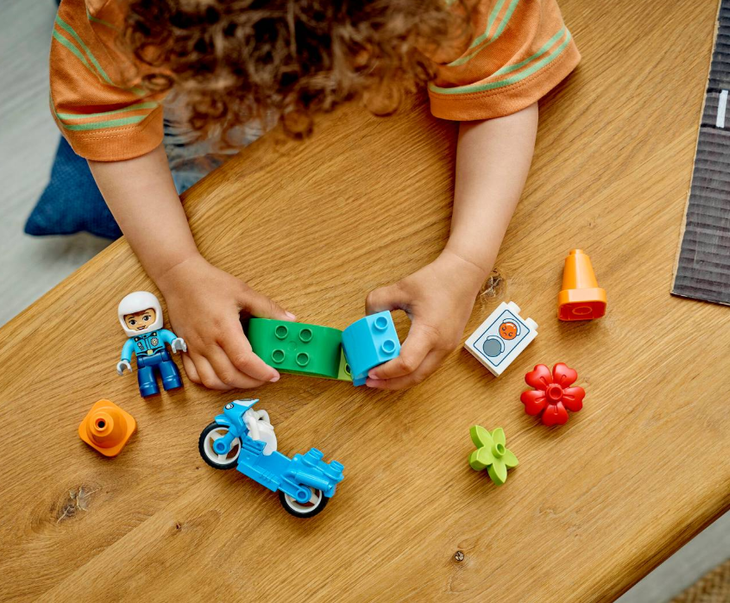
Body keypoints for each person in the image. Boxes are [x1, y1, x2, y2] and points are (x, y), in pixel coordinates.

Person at [51, 0, 579, 391]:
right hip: (195, 145)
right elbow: (106, 116)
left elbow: (500, 80)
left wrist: (468, 260)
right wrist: (176, 269)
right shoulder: (116, 15)